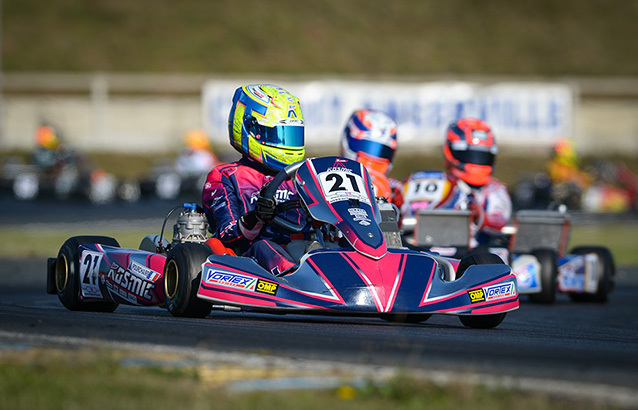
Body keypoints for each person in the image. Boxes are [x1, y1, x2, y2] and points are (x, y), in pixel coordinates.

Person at [202, 84, 306, 277]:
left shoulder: (304, 175)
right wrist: (257, 217)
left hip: (305, 252)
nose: (287, 144)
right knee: (264, 246)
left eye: (292, 135)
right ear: (252, 130)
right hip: (251, 260)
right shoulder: (225, 176)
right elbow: (227, 234)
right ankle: (296, 281)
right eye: (279, 135)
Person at [401, 118, 511, 247]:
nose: (476, 160)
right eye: (468, 154)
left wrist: (477, 214)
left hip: (474, 252)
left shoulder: (494, 190)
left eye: (482, 155)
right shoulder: (439, 181)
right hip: (422, 245)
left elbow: (498, 222)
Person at [340, 109, 403, 209]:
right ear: (347, 140)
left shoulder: (394, 188)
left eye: (383, 151)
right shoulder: (325, 176)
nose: (373, 157)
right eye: (366, 146)